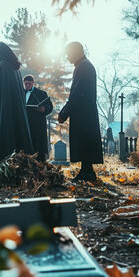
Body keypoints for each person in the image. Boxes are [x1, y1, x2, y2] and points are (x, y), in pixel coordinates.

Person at [0, 42, 33, 162]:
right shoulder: (16, 70)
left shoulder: (3, 66)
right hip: (14, 111)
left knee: (6, 138)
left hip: (5, 111)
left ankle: (3, 161)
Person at [57, 42, 103, 181]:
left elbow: (77, 93)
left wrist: (64, 113)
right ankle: (86, 170)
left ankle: (87, 172)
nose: (67, 57)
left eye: (68, 53)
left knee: (84, 141)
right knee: (85, 141)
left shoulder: (83, 67)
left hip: (83, 112)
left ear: (76, 52)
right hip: (85, 111)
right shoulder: (83, 65)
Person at [23, 75, 53, 161]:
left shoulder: (41, 93)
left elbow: (50, 107)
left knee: (38, 148)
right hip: (25, 124)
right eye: (25, 84)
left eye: (29, 83)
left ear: (33, 83)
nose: (27, 85)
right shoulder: (20, 93)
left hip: (37, 125)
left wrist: (44, 109)